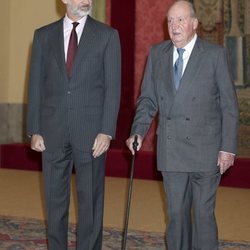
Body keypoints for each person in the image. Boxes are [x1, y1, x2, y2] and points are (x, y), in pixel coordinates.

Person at [126, 1, 239, 249]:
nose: (174, 26)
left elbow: (229, 106)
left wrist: (228, 148)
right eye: (170, 20)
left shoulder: (214, 55)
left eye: (180, 20)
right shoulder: (157, 54)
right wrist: (138, 131)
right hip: (172, 150)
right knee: (176, 216)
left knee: (202, 216)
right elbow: (147, 100)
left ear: (195, 24)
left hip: (206, 152)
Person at [27, 0, 121, 249]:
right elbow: (35, 84)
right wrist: (35, 129)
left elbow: (113, 88)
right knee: (54, 203)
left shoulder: (107, 36)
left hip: (92, 134)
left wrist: (107, 131)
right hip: (52, 132)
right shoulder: (43, 36)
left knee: (90, 203)